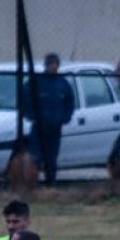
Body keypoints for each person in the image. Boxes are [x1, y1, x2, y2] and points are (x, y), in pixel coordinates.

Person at [23, 52, 75, 185]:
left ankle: (50, 183)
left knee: (52, 158)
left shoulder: (63, 84)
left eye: (55, 64)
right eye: (51, 64)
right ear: (45, 65)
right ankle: (32, 184)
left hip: (55, 128)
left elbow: (69, 103)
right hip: (38, 127)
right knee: (35, 156)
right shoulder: (35, 82)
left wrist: (65, 118)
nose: (53, 67)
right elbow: (25, 100)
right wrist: (31, 116)